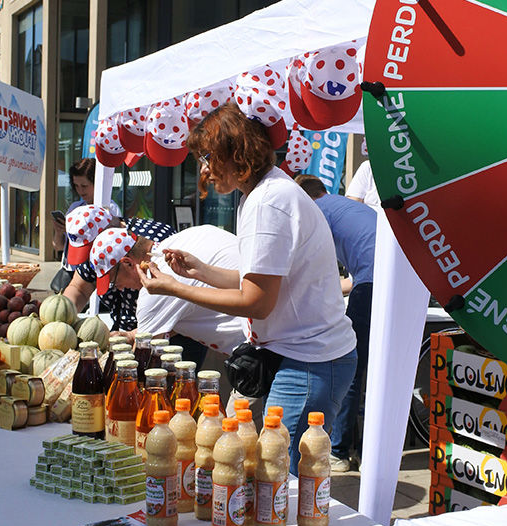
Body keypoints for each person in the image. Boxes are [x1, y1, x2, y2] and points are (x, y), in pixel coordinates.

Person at [137, 102, 357, 472]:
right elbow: (255, 281)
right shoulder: (262, 194)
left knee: (276, 480)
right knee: (271, 478)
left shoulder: (268, 201)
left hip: (309, 361)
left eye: (207, 157)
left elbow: (256, 302)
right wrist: (200, 271)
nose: (204, 170)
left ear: (234, 151)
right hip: (304, 358)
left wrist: (176, 288)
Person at [296, 175, 376, 472]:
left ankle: (340, 452)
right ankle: (369, 451)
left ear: (305, 199)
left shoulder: (315, 212)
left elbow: (313, 272)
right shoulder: (348, 208)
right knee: (381, 371)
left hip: (370, 285)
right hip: (395, 283)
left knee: (351, 366)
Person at [87, 223, 247, 359]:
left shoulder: (156, 288)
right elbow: (174, 316)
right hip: (262, 335)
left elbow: (141, 361)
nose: (119, 289)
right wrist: (131, 335)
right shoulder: (184, 238)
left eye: (114, 282)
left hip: (257, 346)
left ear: (128, 263)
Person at [64, 216, 174, 331]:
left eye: (114, 282)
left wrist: (131, 336)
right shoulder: (109, 255)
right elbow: (79, 288)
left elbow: (169, 322)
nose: (119, 288)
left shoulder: (164, 266)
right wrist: (63, 315)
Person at [51, 158, 120, 292]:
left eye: (84, 186)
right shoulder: (75, 208)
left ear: (96, 183)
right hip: (71, 271)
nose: (80, 191)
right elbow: (59, 247)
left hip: (94, 273)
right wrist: (59, 232)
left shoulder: (110, 209)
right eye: (76, 186)